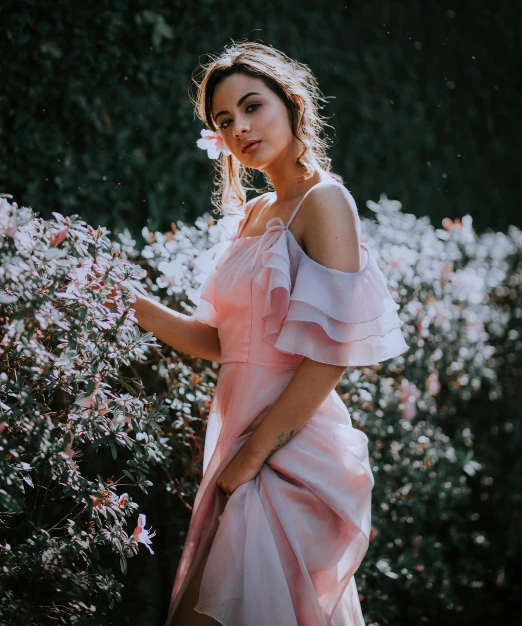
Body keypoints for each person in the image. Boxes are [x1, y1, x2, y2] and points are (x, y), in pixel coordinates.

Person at [125, 41, 409, 626]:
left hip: (288, 445)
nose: (241, 128)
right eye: (225, 121)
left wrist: (254, 456)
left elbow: (331, 356)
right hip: (238, 440)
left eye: (252, 107)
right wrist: (134, 306)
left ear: (293, 102)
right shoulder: (255, 215)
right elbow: (226, 344)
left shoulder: (325, 202)